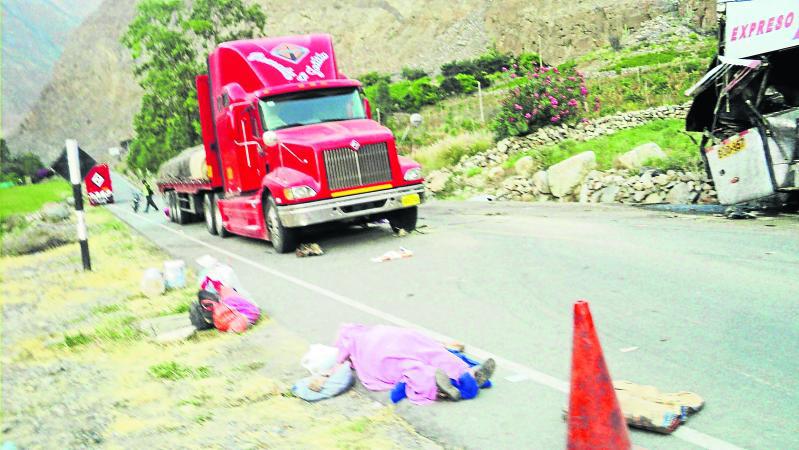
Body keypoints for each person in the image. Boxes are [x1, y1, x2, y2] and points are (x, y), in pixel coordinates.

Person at [334, 323, 495, 405]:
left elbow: (339, 363)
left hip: (380, 355)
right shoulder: (373, 330)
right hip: (402, 338)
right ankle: (468, 374)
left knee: (409, 367)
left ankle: (437, 383)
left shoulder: (351, 347)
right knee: (433, 352)